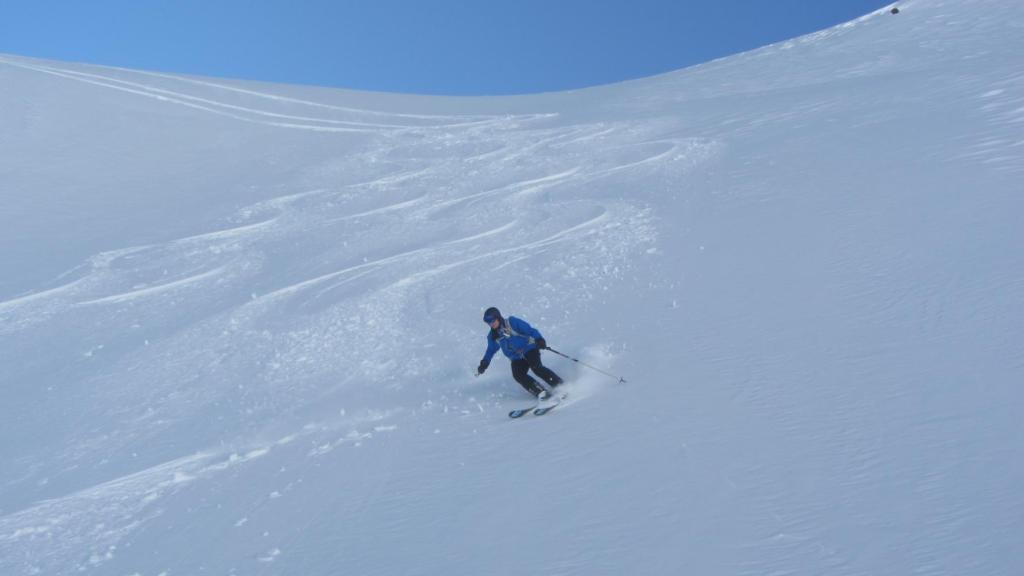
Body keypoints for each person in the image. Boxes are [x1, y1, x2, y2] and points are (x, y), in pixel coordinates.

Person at [476, 307, 563, 398]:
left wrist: (539, 339)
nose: (491, 324)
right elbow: (490, 350)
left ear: (498, 317)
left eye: (492, 321)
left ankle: (559, 385)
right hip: (516, 357)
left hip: (529, 349)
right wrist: (484, 363)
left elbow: (530, 330)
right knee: (518, 375)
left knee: (536, 368)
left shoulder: (512, 322)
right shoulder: (493, 336)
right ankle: (541, 392)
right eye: (488, 322)